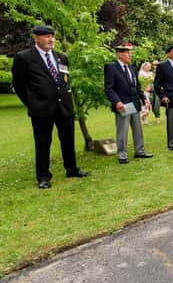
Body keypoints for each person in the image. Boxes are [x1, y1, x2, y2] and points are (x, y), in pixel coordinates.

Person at [11, 25, 90, 188]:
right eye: (47, 36)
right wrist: (32, 103)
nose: (51, 39)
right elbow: (19, 85)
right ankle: (43, 177)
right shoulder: (24, 57)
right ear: (36, 38)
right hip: (41, 109)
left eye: (52, 36)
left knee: (68, 140)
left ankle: (72, 169)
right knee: (43, 143)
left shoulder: (61, 57)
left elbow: (64, 81)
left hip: (64, 107)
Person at [104, 43, 153, 164]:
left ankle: (139, 151)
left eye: (130, 53)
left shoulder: (132, 68)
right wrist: (117, 102)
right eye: (127, 53)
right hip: (123, 105)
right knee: (123, 130)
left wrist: (144, 99)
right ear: (119, 54)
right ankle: (122, 154)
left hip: (134, 104)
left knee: (137, 129)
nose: (130, 55)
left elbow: (137, 87)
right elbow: (109, 88)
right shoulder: (111, 67)